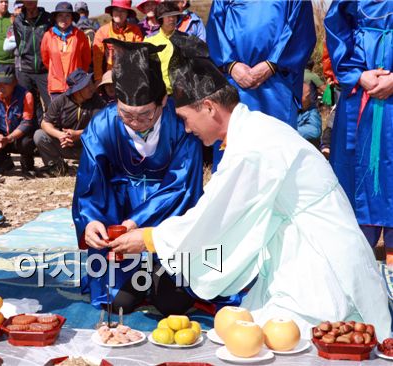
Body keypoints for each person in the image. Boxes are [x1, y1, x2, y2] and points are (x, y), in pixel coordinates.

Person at [109, 35, 392, 340]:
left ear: (208, 107)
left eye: (185, 118)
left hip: (322, 261)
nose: (187, 129)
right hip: (302, 246)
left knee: (289, 338)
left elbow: (215, 218)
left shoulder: (252, 146)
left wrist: (150, 238)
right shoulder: (251, 132)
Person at [72, 39, 203, 315]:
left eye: (144, 115)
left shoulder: (181, 123)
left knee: (172, 303)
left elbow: (181, 187)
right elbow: (91, 181)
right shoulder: (103, 123)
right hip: (116, 216)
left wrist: (138, 224)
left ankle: (160, 271)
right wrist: (92, 219)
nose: (133, 122)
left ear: (163, 101)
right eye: (125, 114)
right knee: (117, 303)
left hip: (167, 217)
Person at [207, 0, 315, 168]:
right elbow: (215, 26)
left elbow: (301, 26)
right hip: (234, 82)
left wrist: (273, 63)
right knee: (234, 151)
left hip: (277, 83)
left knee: (277, 152)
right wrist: (231, 65)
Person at [325, 1, 393, 267]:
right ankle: (356, 270)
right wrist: (356, 74)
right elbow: (336, 25)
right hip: (360, 91)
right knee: (355, 175)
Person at [35, 68, 105, 177]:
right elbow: (45, 123)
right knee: (39, 135)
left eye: (91, 83)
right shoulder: (61, 101)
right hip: (65, 145)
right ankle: (57, 168)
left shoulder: (97, 101)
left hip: (87, 148)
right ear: (78, 90)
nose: (92, 88)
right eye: (87, 85)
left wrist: (79, 134)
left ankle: (95, 168)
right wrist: (61, 135)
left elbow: (102, 127)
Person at [0, 64, 36, 177]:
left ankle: (27, 164)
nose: (1, 87)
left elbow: (26, 123)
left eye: (6, 83)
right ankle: (1, 164)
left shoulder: (26, 95)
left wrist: (9, 138)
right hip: (0, 138)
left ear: (15, 82)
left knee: (28, 140)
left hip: (17, 137)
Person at [12, 0, 52, 123]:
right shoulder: (18, 20)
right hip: (25, 70)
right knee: (30, 106)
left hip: (45, 69)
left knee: (51, 104)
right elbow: (19, 44)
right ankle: (33, 133)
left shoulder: (48, 18)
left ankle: (52, 133)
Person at [41, 2, 91, 99]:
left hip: (76, 86)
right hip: (56, 87)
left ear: (72, 18)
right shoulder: (48, 36)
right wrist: (55, 72)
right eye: (60, 15)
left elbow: (86, 60)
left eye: (67, 15)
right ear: (55, 18)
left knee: (75, 114)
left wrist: (78, 76)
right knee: (58, 114)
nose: (64, 19)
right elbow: (45, 60)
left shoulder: (80, 35)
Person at [92, 0, 143, 84]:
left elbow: (139, 56)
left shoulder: (135, 31)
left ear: (127, 14)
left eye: (123, 10)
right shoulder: (102, 31)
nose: (119, 13)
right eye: (116, 10)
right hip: (109, 79)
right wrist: (98, 79)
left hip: (130, 78)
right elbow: (97, 58)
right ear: (112, 12)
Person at [145, 1, 183, 95]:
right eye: (168, 16)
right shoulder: (149, 41)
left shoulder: (186, 39)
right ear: (160, 19)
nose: (172, 19)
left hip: (184, 95)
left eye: (174, 16)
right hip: (158, 96)